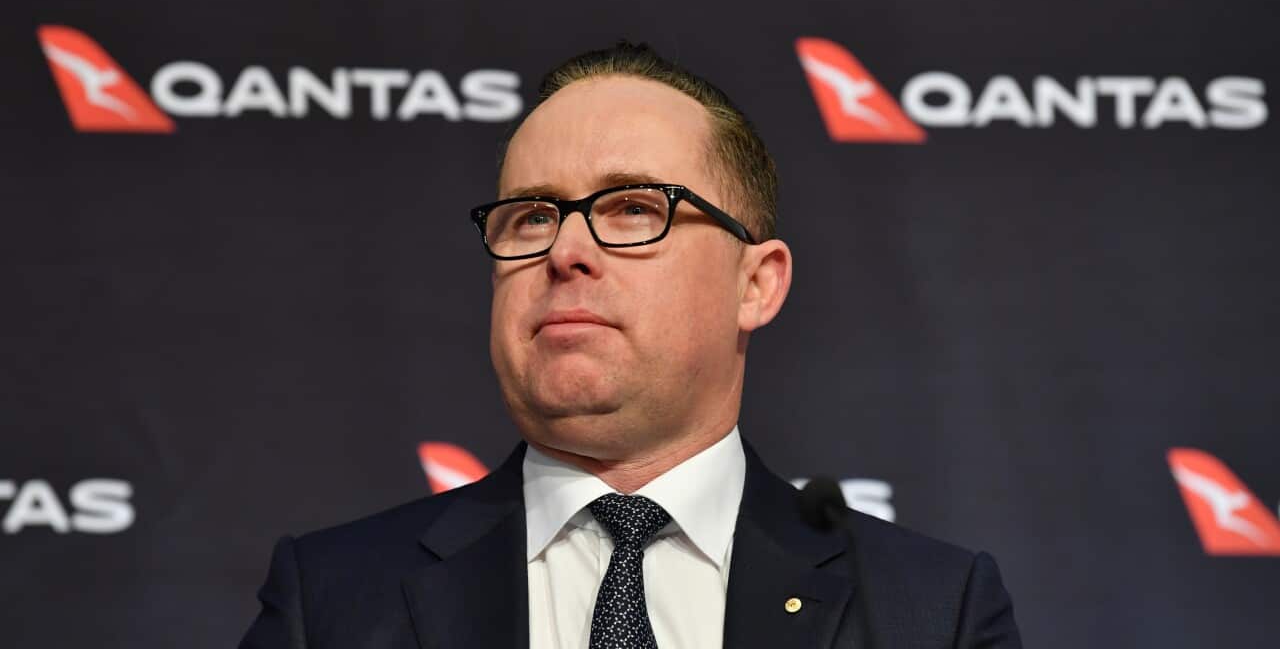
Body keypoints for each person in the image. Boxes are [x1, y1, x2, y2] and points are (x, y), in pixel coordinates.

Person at [239, 42, 1022, 648]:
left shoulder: (927, 610)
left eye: (632, 208)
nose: (564, 251)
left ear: (757, 284)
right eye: (532, 216)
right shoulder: (336, 598)